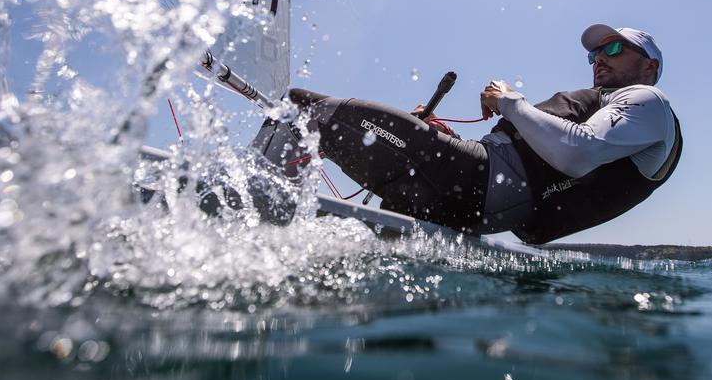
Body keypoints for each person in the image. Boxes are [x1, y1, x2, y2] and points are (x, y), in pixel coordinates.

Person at [286, 24, 682, 245]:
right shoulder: (612, 107)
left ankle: (252, 201)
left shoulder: (649, 101)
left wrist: (509, 101)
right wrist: (439, 133)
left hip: (480, 183)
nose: (599, 59)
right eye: (594, 54)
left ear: (648, 66)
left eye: (612, 48)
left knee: (309, 109)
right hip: (482, 201)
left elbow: (577, 152)